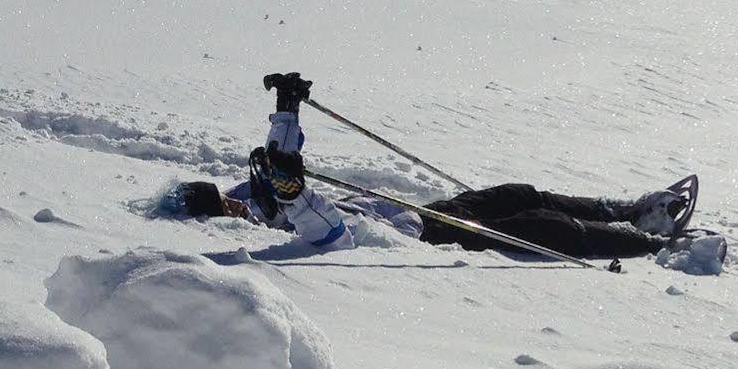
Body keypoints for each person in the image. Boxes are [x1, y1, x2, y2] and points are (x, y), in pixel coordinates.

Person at [210, 73, 699, 262]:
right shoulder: (278, 225)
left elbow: (278, 159)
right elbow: (330, 234)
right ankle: (646, 240)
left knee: (517, 194)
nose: (234, 203)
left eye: (227, 198)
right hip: (428, 241)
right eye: (225, 208)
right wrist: (295, 195)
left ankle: (622, 209)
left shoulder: (252, 195)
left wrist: (287, 107)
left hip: (423, 212)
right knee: (536, 226)